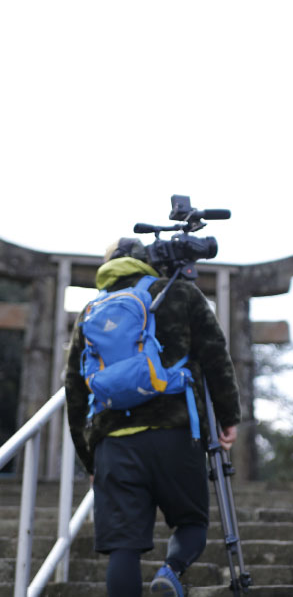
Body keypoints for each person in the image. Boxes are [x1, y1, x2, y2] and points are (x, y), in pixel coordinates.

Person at [64, 238, 241, 597]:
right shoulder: (181, 294)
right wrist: (227, 416)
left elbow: (74, 390)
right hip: (176, 433)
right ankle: (170, 571)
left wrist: (89, 459)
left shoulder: (91, 311)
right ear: (150, 261)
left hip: (113, 444)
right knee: (192, 523)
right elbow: (215, 356)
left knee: (123, 548)